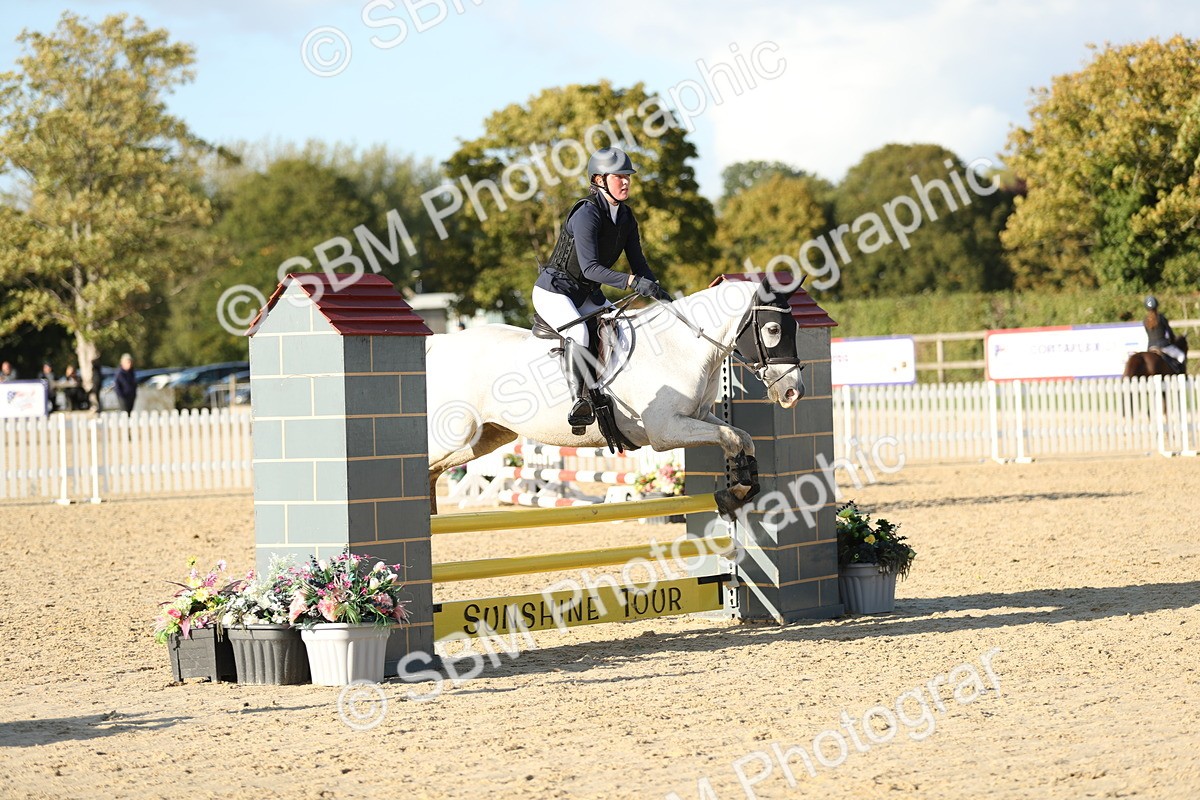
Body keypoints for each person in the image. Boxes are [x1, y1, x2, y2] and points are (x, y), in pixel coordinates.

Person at [533, 147, 670, 431]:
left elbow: (639, 262)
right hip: (555, 290)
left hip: (586, 294)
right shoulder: (587, 213)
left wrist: (658, 290)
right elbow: (590, 269)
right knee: (579, 332)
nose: (625, 182)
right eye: (618, 176)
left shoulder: (626, 218)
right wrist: (632, 282)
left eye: (627, 176)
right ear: (598, 180)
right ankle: (578, 402)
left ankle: (610, 390)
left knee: (622, 328)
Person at [1143, 296, 1185, 372]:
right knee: (1181, 356)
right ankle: (1180, 375)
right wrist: (1172, 341)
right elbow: (1169, 331)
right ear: (1157, 306)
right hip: (1163, 346)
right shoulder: (1161, 317)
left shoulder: (1145, 320)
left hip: (1151, 347)